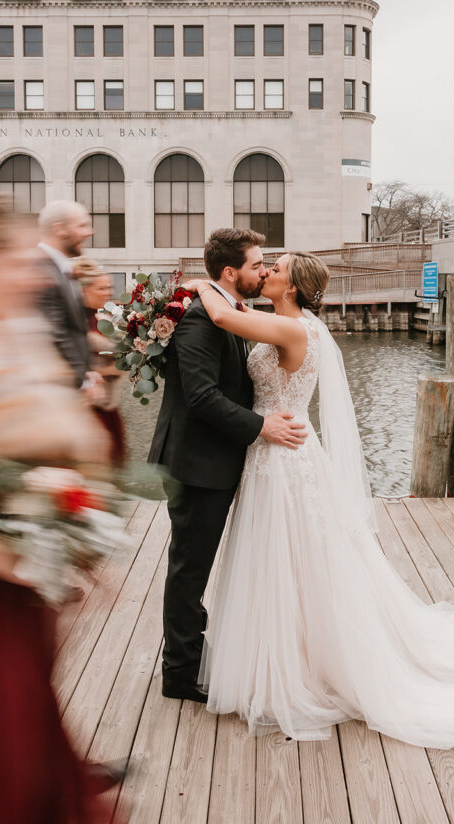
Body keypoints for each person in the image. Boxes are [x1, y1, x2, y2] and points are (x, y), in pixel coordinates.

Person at [183, 251, 454, 748]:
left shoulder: (295, 330)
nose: (267, 273)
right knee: (281, 559)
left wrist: (199, 285)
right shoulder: (285, 321)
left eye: (276, 269)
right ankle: (283, 652)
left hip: (285, 460)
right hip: (273, 452)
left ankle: (301, 665)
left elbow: (223, 316)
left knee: (291, 556)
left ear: (292, 287)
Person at [0, 198, 123, 823]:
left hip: (17, 579)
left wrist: (75, 522)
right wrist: (5, 557)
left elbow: (73, 434)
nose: (31, 278)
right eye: (19, 262)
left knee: (27, 735)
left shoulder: (18, 328)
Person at [148, 228, 308, 704]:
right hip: (197, 463)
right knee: (189, 568)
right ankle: (179, 671)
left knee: (193, 564)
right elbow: (200, 397)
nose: (264, 270)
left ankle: (191, 656)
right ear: (229, 272)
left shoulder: (230, 310)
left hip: (215, 458)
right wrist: (262, 427)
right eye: (258, 265)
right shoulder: (201, 320)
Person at [37, 200, 98, 392]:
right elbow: (56, 334)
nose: (90, 232)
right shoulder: (41, 269)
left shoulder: (59, 267)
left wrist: (86, 372)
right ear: (60, 229)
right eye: (82, 226)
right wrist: (82, 381)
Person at [74, 258, 126, 467]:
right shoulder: (73, 323)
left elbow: (123, 362)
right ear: (84, 290)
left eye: (110, 287)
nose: (108, 292)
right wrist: (107, 370)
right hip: (86, 412)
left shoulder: (102, 320)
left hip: (108, 407)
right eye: (102, 288)